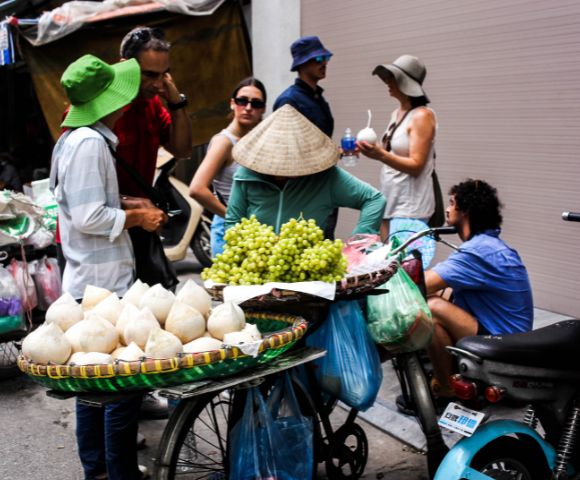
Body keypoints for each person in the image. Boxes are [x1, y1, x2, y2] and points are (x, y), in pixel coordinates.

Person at [50, 54, 166, 480]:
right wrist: (138, 218)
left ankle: (98, 471)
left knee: (94, 385)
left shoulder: (77, 139)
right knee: (120, 388)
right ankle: (117, 474)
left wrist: (125, 203)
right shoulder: (88, 143)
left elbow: (87, 205)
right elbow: (86, 217)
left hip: (92, 283)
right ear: (108, 101)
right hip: (101, 288)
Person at [424, 179, 534, 397]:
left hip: (504, 345)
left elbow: (422, 283)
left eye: (452, 203)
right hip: (512, 338)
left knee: (432, 306)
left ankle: (445, 389)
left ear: (466, 211)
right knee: (442, 297)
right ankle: (451, 377)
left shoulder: (478, 251)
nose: (447, 209)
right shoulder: (489, 244)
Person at [225, 105, 385, 236]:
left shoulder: (327, 178)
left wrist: (360, 241)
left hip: (310, 270)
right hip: (257, 267)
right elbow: (233, 222)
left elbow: (374, 200)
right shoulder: (245, 176)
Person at [358, 54, 437, 241]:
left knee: (406, 267)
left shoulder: (422, 116)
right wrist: (368, 149)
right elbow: (390, 153)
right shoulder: (397, 113)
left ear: (405, 83)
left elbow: (417, 164)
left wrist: (380, 155)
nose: (387, 82)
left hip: (411, 208)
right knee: (391, 266)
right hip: (391, 202)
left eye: (392, 77)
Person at [189, 77, 267, 257]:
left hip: (255, 231)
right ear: (232, 104)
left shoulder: (258, 141)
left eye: (255, 103)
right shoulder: (224, 142)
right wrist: (233, 218)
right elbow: (197, 189)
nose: (248, 107)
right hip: (230, 233)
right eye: (242, 101)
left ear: (262, 109)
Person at [115, 26, 192, 202]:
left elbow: (182, 150)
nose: (158, 85)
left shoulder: (152, 105)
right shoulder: (100, 108)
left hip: (142, 217)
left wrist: (176, 104)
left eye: (164, 74)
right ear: (124, 65)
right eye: (149, 75)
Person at [273, 35, 338, 239]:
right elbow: (282, 153)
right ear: (302, 64)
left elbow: (319, 140)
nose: (324, 63)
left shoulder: (317, 98)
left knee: (325, 246)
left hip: (324, 184)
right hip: (304, 193)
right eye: (318, 59)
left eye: (325, 57)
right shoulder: (289, 100)